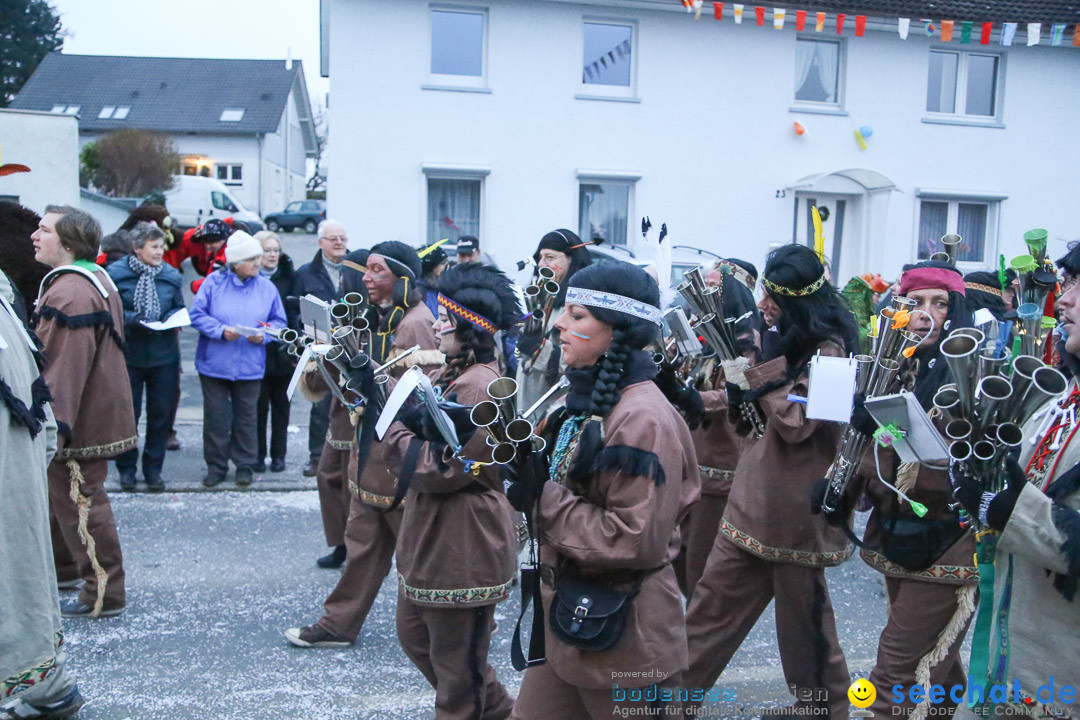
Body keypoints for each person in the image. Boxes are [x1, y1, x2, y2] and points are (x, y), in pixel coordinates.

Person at [501, 261, 699, 719]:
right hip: (572, 620)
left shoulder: (643, 419)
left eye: (577, 315)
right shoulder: (591, 401)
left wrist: (542, 496)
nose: (557, 325)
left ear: (618, 330)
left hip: (626, 636)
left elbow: (631, 537)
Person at [682, 244, 859, 719]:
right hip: (751, 503)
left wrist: (757, 367)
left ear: (800, 302)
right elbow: (750, 396)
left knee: (804, 630)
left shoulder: (835, 353)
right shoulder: (781, 337)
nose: (762, 307)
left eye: (773, 300)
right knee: (705, 614)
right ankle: (669, 702)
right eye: (764, 296)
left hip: (796, 514)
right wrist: (696, 399)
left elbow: (799, 424)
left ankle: (822, 708)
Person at [820, 261, 978, 719]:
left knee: (896, 677)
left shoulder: (970, 378)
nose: (926, 314)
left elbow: (945, 472)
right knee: (939, 671)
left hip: (950, 544)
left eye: (940, 303)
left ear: (956, 313)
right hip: (899, 536)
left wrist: (876, 442)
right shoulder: (893, 368)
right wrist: (838, 492)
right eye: (914, 303)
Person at [381, 262, 521, 719]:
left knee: (457, 676)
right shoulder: (457, 371)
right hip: (438, 533)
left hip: (465, 537)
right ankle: (503, 713)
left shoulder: (480, 385)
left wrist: (392, 430)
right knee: (419, 637)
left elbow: (447, 470)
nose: (437, 323)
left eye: (447, 318)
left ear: (470, 330)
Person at [286, 240, 442, 647]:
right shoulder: (380, 316)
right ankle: (338, 624)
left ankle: (446, 630)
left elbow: (418, 397)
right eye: (367, 270)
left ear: (403, 279)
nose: (367, 277)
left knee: (415, 556)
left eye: (378, 271)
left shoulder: (414, 323)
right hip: (370, 449)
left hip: (397, 459)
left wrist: (362, 369)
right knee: (361, 546)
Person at [950, 245, 1079, 718]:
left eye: (1077, 288)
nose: (1062, 301)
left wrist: (1013, 512)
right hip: (1010, 660)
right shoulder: (1063, 400)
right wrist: (975, 484)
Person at [30, 205, 136, 619]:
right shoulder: (92, 278)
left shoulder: (71, 291)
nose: (35, 236)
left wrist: (54, 428)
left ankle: (104, 592)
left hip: (79, 423)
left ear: (68, 242)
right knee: (64, 500)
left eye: (44, 230)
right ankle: (66, 572)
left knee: (81, 503)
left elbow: (64, 366)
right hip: (89, 413)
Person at [0, 269, 86, 720]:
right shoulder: (8, 301)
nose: (37, 236)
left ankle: (48, 685)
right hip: (19, 463)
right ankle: (49, 686)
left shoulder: (68, 290)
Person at [658, 263, 759, 598]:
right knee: (674, 557)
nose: (703, 296)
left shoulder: (748, 339)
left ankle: (695, 638)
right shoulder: (699, 332)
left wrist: (694, 398)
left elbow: (741, 391)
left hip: (719, 470)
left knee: (700, 568)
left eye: (713, 288)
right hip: (684, 460)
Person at [189, 231, 287, 488]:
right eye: (251, 258)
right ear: (236, 262)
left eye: (258, 257)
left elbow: (279, 322)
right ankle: (216, 466)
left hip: (250, 364)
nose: (258, 262)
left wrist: (263, 335)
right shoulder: (213, 283)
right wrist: (221, 331)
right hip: (215, 364)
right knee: (216, 418)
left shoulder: (267, 287)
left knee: (247, 417)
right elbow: (197, 315)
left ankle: (244, 464)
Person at [107, 222, 186, 492]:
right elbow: (109, 311)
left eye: (161, 246)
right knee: (129, 415)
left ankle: (154, 470)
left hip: (164, 356)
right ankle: (126, 469)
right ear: (137, 248)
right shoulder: (116, 275)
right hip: (129, 356)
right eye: (154, 246)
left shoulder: (170, 275)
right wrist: (133, 319)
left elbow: (178, 306)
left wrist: (172, 319)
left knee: (161, 415)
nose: (159, 252)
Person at [294, 219, 350, 478]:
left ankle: (346, 455)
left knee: (348, 404)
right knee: (320, 405)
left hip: (350, 348)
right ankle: (316, 457)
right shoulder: (306, 273)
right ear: (321, 243)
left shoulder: (354, 270)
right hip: (319, 347)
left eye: (343, 239)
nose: (339, 243)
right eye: (333, 239)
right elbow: (294, 309)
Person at [516, 229, 592, 412]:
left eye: (550, 257)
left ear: (571, 259)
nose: (542, 264)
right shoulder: (542, 294)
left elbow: (580, 358)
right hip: (529, 391)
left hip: (557, 400)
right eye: (540, 257)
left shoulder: (583, 304)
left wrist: (538, 349)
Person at [253, 230, 297, 474]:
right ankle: (258, 455)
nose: (271, 255)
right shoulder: (251, 277)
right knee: (258, 408)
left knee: (282, 407)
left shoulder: (289, 277)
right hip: (257, 350)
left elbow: (294, 312)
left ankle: (279, 456)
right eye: (266, 251)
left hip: (282, 351)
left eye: (275, 251)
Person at [417, 241, 449, 316]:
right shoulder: (420, 292)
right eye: (442, 263)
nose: (446, 267)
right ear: (431, 266)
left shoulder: (440, 288)